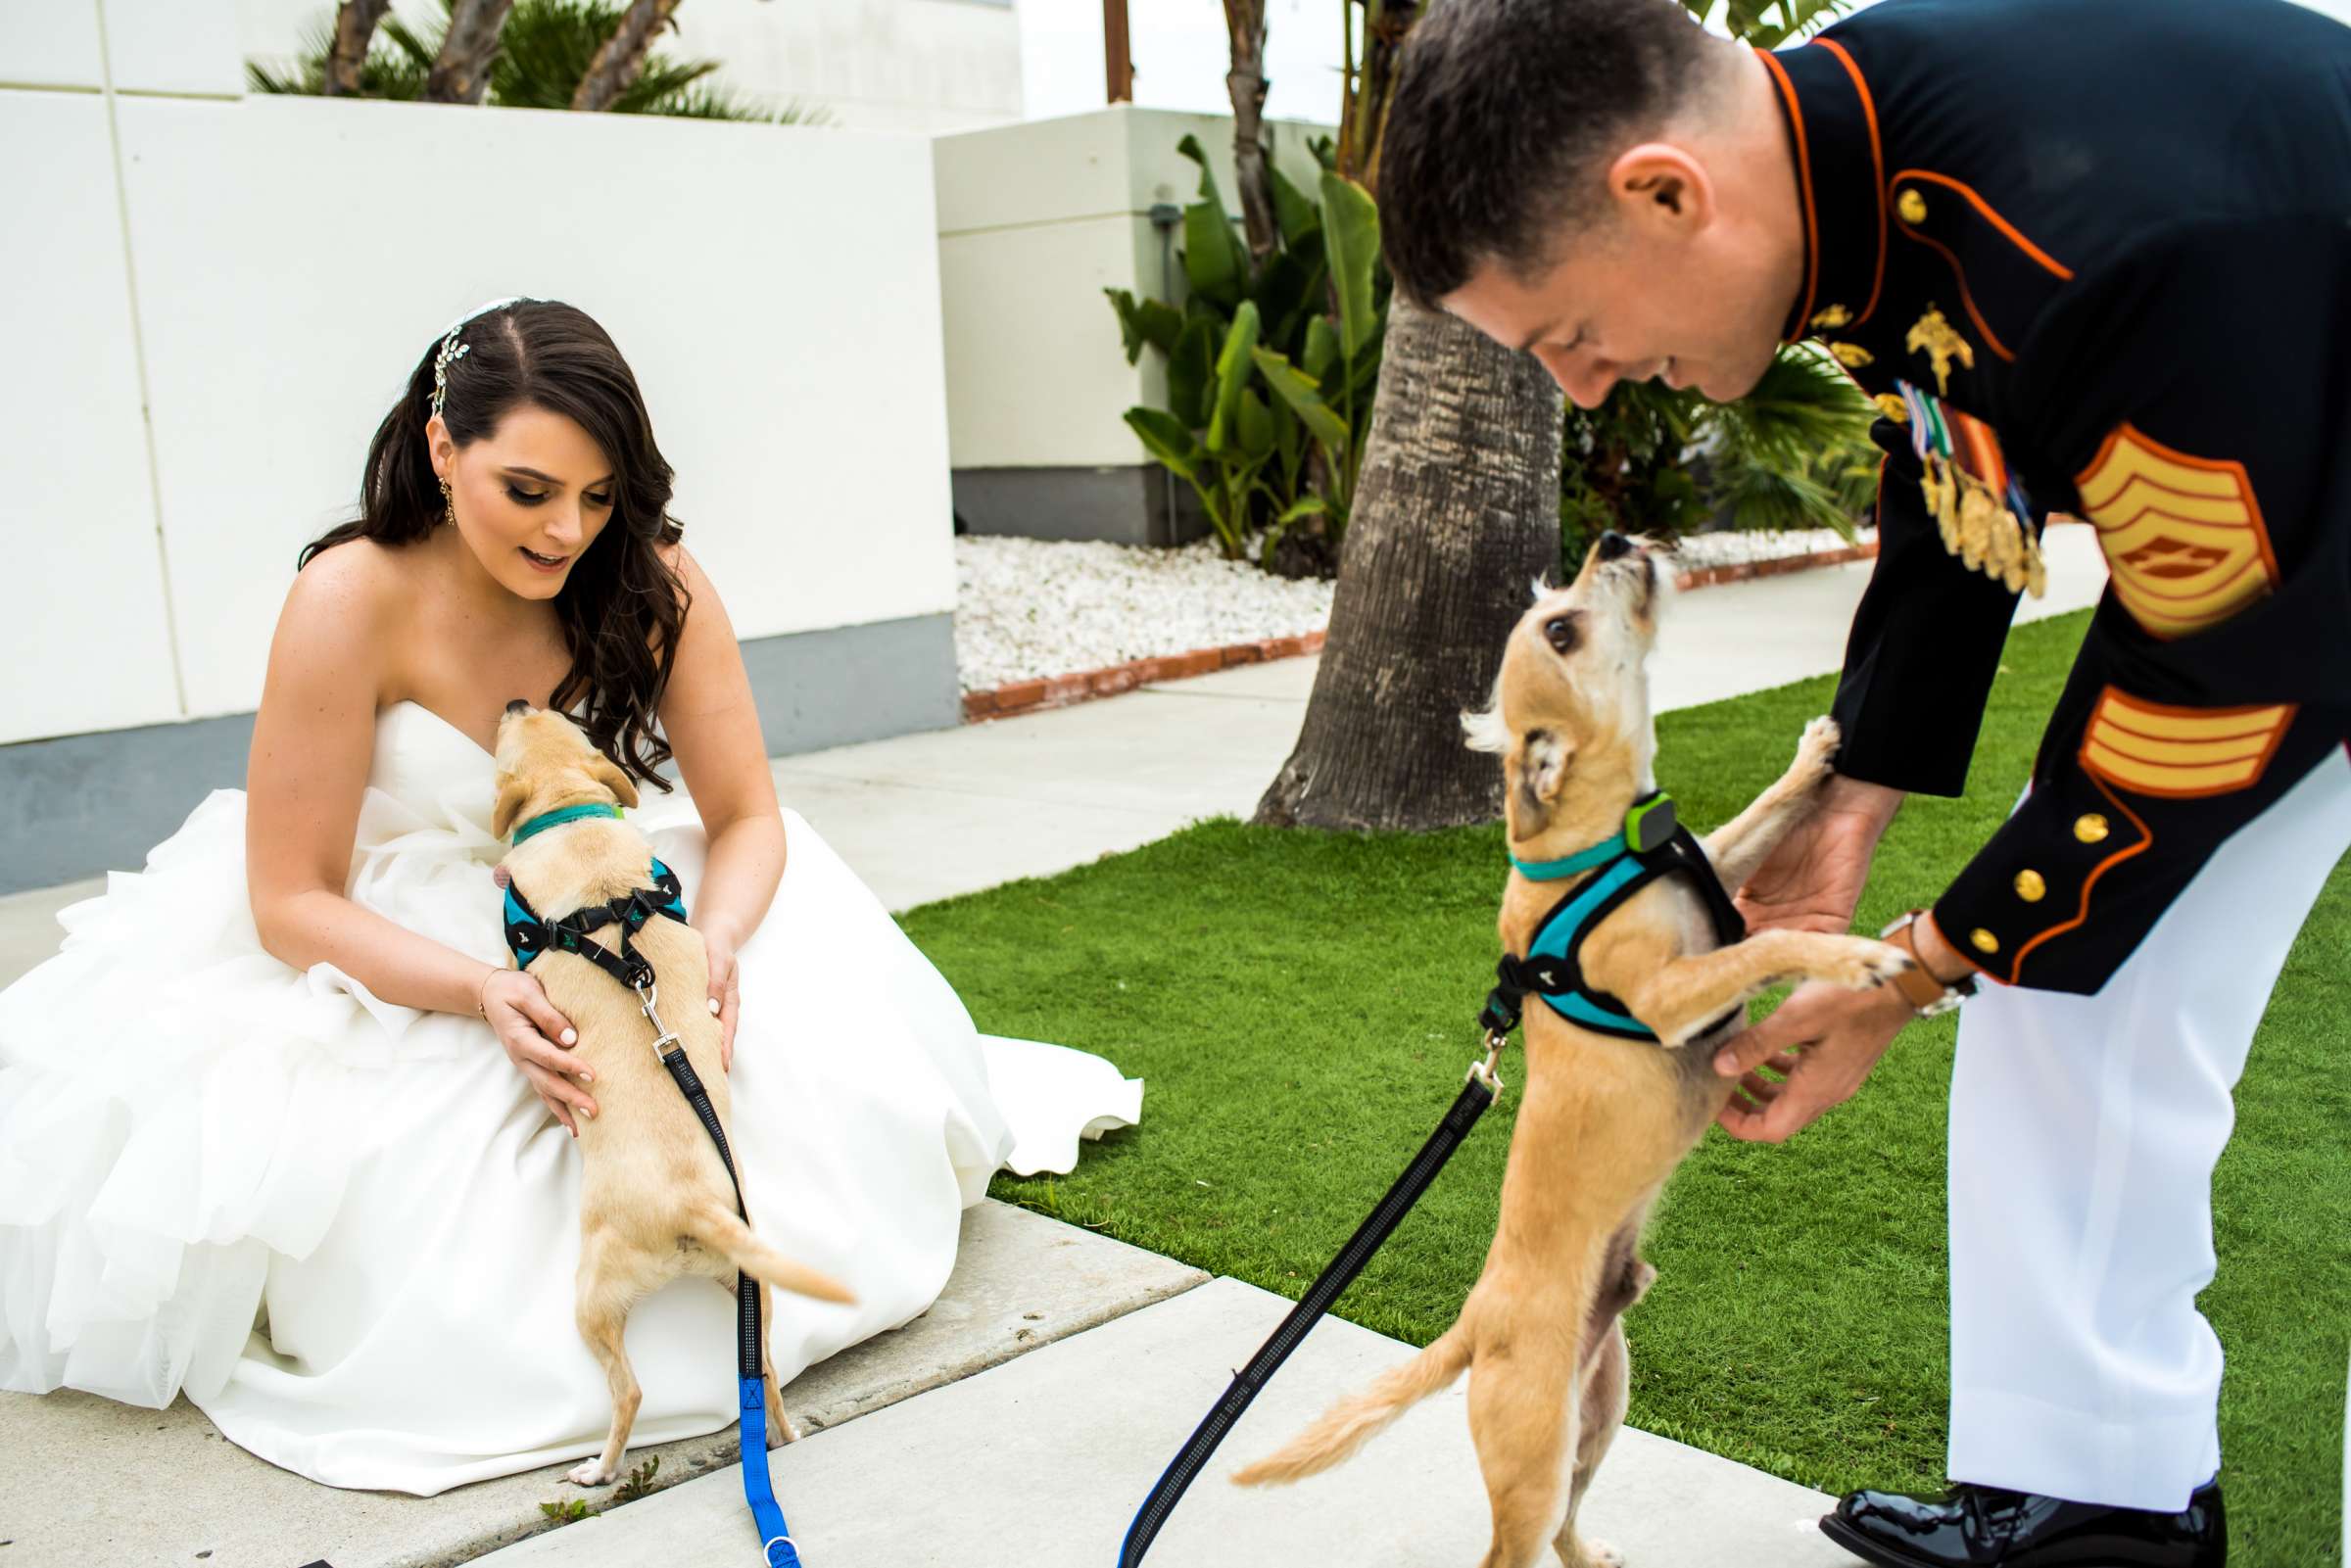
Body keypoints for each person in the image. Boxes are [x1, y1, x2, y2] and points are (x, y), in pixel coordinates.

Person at [1374, 0, 2351, 1562]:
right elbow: (1952, 437)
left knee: (2065, 923)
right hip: (2288, 519)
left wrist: (1912, 966)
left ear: (1663, 194)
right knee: (2076, 974)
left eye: (1565, 332)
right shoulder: (1834, 135)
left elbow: (2220, 687)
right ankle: (2104, 1507)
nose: (1585, 390)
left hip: (2297, 549)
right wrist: (1855, 799)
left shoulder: (2112, 242)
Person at [0, 298, 1139, 1495]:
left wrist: (718, 941)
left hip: (629, 899)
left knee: (809, 1101)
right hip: (405, 938)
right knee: (457, 1262)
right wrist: (489, 991)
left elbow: (747, 815)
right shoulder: (350, 595)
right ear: (443, 450)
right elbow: (289, 898)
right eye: (530, 490)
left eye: (599, 497)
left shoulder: (653, 579)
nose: (567, 532)